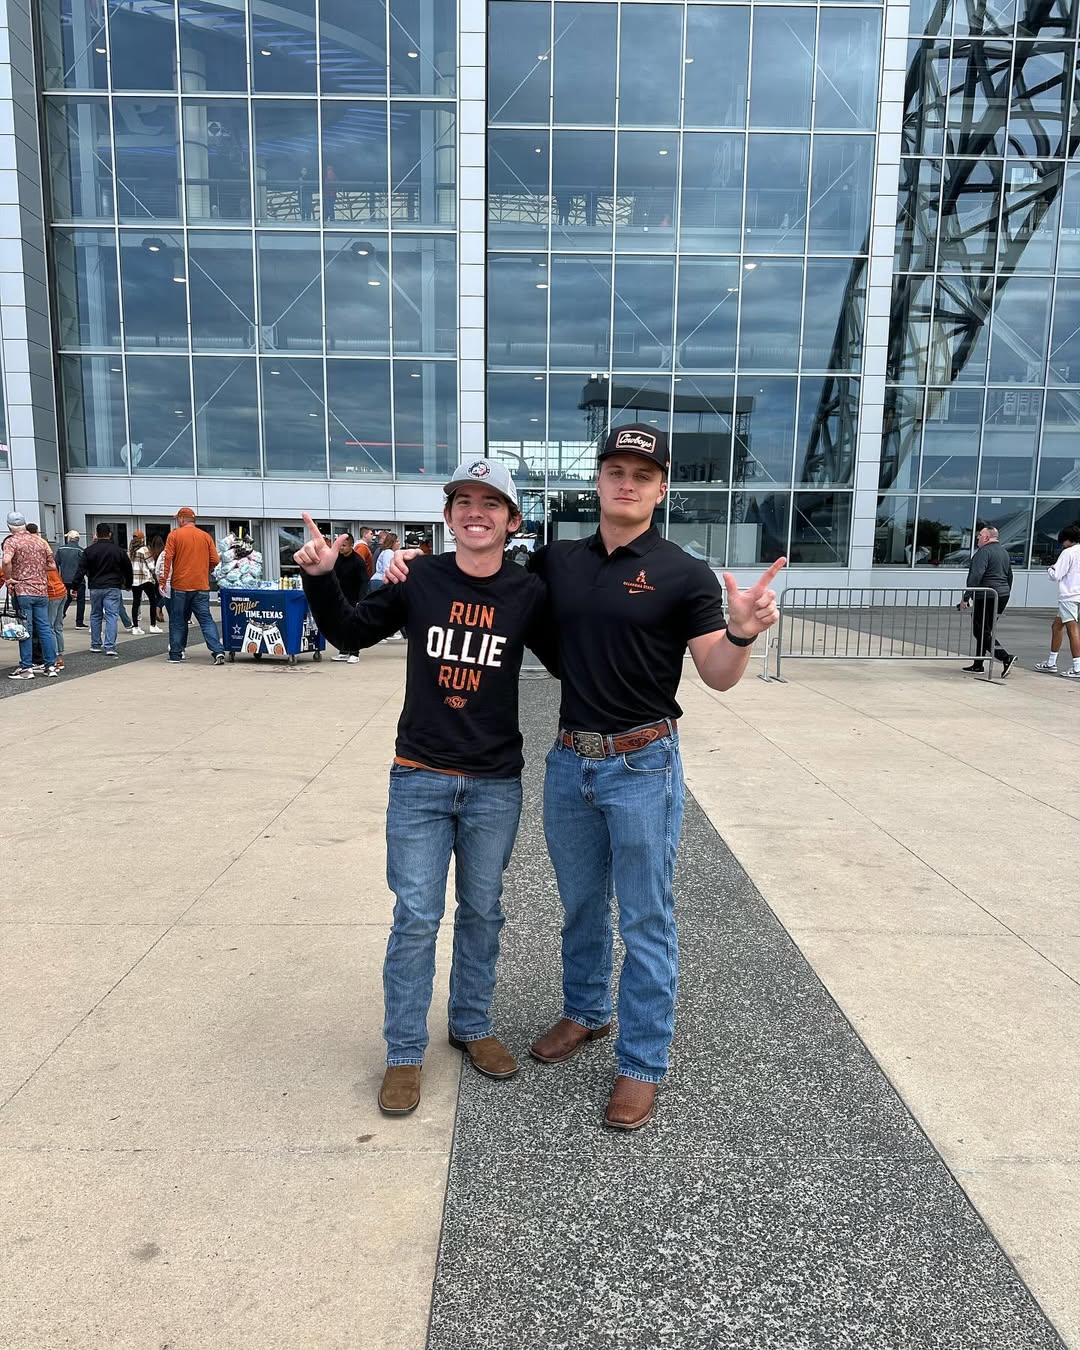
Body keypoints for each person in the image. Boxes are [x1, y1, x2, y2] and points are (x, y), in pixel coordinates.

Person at [387, 426, 784, 1131]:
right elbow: (486, 583)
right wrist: (408, 571)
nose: (627, 483)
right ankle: (587, 1010)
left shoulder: (683, 573)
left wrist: (742, 632)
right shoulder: (556, 561)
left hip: (642, 762)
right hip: (570, 760)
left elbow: (718, 675)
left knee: (645, 916)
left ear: (661, 488)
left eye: (642, 474)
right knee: (579, 905)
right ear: (597, 481)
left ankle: (642, 1063)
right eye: (615, 470)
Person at [295, 461, 554, 1118]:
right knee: (415, 917)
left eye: (491, 504)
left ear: (512, 521)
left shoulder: (528, 592)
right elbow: (351, 631)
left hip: (494, 782)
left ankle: (470, 1024)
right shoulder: (420, 579)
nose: (475, 512)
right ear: (447, 516)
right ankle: (405, 1051)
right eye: (463, 501)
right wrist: (321, 577)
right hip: (420, 776)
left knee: (483, 911)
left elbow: (575, 658)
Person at [158, 506, 225, 665]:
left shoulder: (174, 535)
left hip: (180, 586)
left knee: (177, 620)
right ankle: (218, 651)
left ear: (181, 519)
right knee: (206, 619)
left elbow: (167, 559)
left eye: (177, 519)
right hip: (201, 585)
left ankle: (176, 654)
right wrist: (204, 569)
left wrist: (163, 581)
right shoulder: (205, 536)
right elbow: (215, 560)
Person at [2, 511, 59, 679]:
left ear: (9, 527)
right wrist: (37, 569)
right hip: (41, 590)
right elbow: (52, 565)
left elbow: (6, 561)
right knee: (45, 628)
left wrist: (9, 578)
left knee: (25, 629)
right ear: (25, 524)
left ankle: (26, 668)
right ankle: (50, 666)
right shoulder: (40, 541)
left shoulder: (11, 542)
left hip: (22, 591)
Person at [960, 524, 1015, 676]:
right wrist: (1005, 592)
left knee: (980, 630)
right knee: (985, 630)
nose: (977, 538)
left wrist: (966, 597)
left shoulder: (983, 552)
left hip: (986, 595)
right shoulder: (1004, 552)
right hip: (1000, 594)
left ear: (986, 538)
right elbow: (1010, 575)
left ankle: (1005, 657)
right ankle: (978, 664)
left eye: (979, 535)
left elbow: (976, 575)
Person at [73, 523, 133, 657]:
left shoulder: (89, 551)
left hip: (95, 586)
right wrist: (128, 584)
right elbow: (128, 569)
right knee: (112, 615)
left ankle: (95, 644)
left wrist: (74, 586)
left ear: (96, 534)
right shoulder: (118, 551)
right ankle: (110, 646)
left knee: (96, 614)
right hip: (113, 586)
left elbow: (81, 569)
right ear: (110, 534)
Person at [1034, 523, 1080, 679]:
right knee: (1057, 626)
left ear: (1067, 539)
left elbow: (1056, 575)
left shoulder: (1068, 553)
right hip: (1078, 595)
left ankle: (1077, 667)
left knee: (1072, 630)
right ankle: (1051, 662)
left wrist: (1050, 568)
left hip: (1070, 595)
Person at [330, 532, 370, 663]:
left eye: (344, 545)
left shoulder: (358, 561)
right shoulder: (337, 559)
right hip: (339, 598)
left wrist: (361, 600)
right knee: (340, 625)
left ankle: (354, 653)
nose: (341, 548)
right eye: (340, 545)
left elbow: (364, 581)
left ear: (351, 545)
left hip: (353, 598)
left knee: (353, 626)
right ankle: (343, 651)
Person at [128, 531, 162, 635]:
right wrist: (155, 575)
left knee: (136, 603)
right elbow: (151, 565)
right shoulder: (144, 549)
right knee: (153, 601)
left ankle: (135, 627)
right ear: (142, 539)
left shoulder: (131, 551)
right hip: (146, 579)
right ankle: (153, 625)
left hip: (135, 580)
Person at [57, 529, 87, 626]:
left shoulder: (61, 549)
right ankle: (79, 622)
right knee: (80, 600)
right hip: (79, 580)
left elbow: (55, 564)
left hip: (64, 579)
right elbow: (84, 566)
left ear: (69, 538)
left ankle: (60, 616)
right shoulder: (81, 550)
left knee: (66, 599)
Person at [46, 551, 68, 670]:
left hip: (52, 594)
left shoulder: (41, 565)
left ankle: (53, 657)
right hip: (61, 591)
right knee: (58, 626)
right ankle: (59, 656)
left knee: (49, 627)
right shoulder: (51, 562)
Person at [149, 535, 168, 625]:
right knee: (165, 595)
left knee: (157, 596)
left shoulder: (151, 552)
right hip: (163, 576)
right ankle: (159, 609)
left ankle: (158, 612)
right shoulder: (164, 552)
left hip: (153, 577)